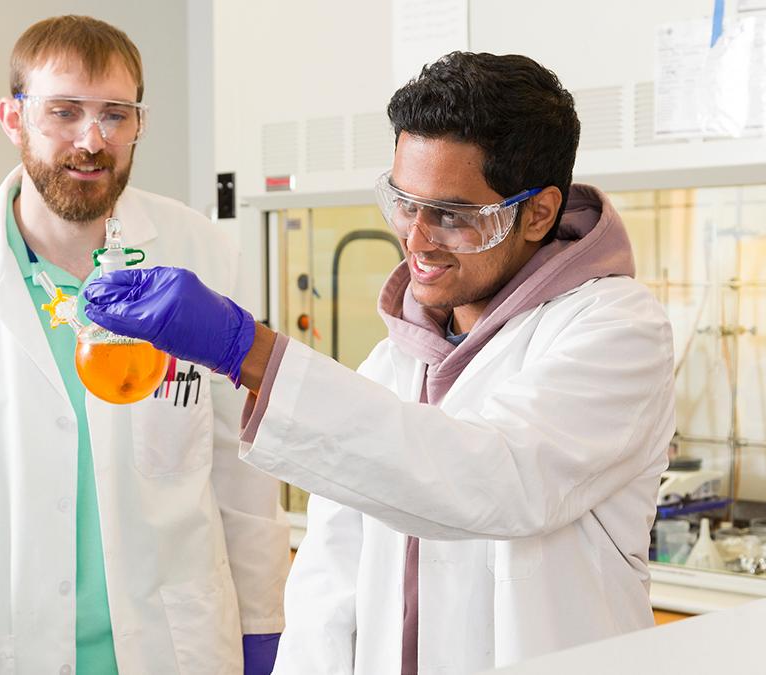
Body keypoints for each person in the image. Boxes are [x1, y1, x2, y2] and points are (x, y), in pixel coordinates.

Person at [83, 52, 677, 673]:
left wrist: (249, 352)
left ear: (537, 213)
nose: (416, 239)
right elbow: (330, 591)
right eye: (403, 202)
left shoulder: (616, 330)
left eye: (451, 216)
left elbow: (492, 479)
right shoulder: (392, 363)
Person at [0, 16, 289, 674]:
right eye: (64, 111)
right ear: (12, 118)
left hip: (176, 649)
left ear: (140, 123)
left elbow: (242, 465)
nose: (93, 140)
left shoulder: (201, 253)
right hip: (5, 651)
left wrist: (264, 629)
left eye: (116, 114)